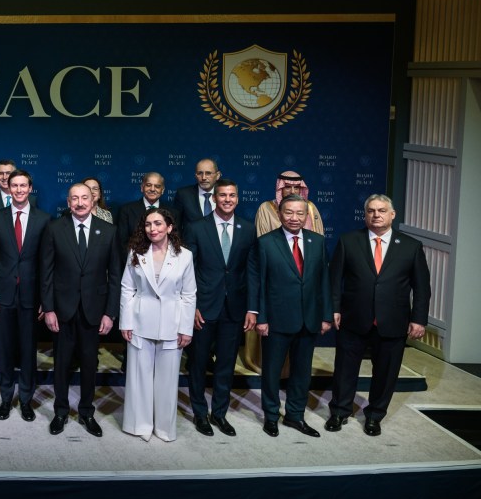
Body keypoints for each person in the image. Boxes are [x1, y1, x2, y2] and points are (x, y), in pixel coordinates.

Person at [327, 194, 430, 437]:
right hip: (353, 318)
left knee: (386, 373)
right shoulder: (348, 241)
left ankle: (374, 416)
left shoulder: (411, 246)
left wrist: (418, 319)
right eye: (371, 211)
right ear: (365, 215)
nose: (376, 215)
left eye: (382, 210)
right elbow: (334, 279)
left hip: (393, 321)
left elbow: (422, 287)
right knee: (344, 369)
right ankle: (339, 411)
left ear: (392, 214)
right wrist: (334, 308)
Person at [41, 182, 120, 437]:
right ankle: (61, 411)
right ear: (68, 202)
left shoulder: (108, 231)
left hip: (94, 310)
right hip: (62, 310)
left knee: (89, 364)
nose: (80, 203)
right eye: (74, 198)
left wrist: (110, 313)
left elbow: (115, 276)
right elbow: (46, 272)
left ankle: (86, 411)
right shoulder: (54, 228)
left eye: (84, 198)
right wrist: (49, 309)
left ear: (93, 200)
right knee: (62, 364)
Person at [252, 194, 332, 438]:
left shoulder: (318, 241)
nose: (294, 218)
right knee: (272, 371)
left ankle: (295, 416)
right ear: (279, 214)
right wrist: (261, 318)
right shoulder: (265, 242)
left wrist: (326, 315)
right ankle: (271, 416)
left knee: (302, 372)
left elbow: (324, 281)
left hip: (309, 319)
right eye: (289, 212)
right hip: (276, 320)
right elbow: (258, 283)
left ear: (307, 215)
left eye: (300, 213)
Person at [184, 178, 256, 437]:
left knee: (226, 364)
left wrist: (252, 308)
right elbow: (187, 269)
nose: (227, 199)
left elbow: (252, 271)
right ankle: (199, 413)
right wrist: (191, 306)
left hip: (235, 308)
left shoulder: (248, 228)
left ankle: (219, 414)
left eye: (232, 195)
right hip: (203, 306)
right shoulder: (196, 227)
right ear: (214, 198)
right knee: (198, 363)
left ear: (237, 198)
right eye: (222, 195)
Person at [119, 207, 196, 442]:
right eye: (148, 224)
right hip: (140, 322)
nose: (152, 229)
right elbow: (127, 288)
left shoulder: (185, 256)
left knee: (167, 380)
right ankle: (139, 425)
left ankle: (164, 428)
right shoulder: (136, 253)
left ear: (169, 227)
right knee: (138, 378)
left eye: (158, 223)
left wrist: (186, 328)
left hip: (172, 325)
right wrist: (126, 322)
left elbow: (189, 294)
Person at [0, 169, 50, 422]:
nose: (19, 190)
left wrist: (45, 298)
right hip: (3, 295)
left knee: (28, 351)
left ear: (30, 188)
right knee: (5, 350)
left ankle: (25, 400)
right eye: (15, 186)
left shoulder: (44, 219)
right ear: (9, 189)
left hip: (31, 296)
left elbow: (47, 263)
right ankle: (5, 398)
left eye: (23, 186)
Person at [255, 170, 325, 236]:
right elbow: (263, 240)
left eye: (296, 187)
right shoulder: (266, 208)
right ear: (281, 188)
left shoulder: (310, 207)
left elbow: (318, 237)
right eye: (288, 187)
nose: (292, 192)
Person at [116, 172, 166, 251]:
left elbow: (175, 241)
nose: (152, 189)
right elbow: (122, 242)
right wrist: (134, 258)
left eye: (157, 186)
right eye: (148, 185)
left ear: (162, 190)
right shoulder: (126, 210)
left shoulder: (173, 212)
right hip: (134, 257)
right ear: (142, 188)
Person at [171, 158, 220, 234]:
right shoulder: (183, 194)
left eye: (208, 173)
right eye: (200, 173)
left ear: (217, 175)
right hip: (190, 241)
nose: (203, 177)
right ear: (195, 175)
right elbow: (175, 225)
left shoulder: (224, 194)